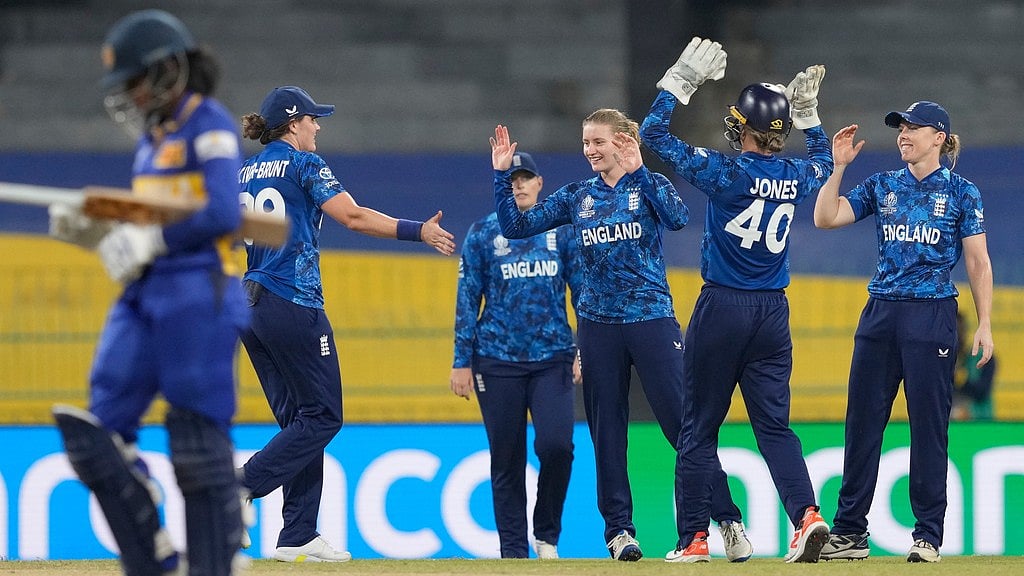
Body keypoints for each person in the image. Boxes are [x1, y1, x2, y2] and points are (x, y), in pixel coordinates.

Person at [489, 112, 750, 563]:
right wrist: (499, 176)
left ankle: (726, 519)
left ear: (623, 142)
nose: (589, 149)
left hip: (651, 320)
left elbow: (678, 218)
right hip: (597, 328)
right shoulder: (577, 196)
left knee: (683, 428)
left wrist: (641, 171)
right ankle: (620, 532)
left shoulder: (646, 185)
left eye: (597, 141)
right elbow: (516, 227)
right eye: (585, 141)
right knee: (607, 433)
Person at [48, 9, 248, 576]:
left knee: (195, 440)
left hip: (199, 288)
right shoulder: (151, 141)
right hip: (148, 290)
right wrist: (99, 233)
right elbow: (146, 222)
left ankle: (218, 557)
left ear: (167, 70)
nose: (131, 97)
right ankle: (152, 558)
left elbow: (221, 211)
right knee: (97, 431)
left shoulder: (207, 124)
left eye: (136, 81)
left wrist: (153, 239)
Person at [237, 85, 456, 562]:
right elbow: (352, 218)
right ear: (293, 123)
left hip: (249, 306)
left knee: (299, 423)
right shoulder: (304, 165)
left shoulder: (245, 172)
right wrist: (416, 230)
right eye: (313, 119)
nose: (318, 126)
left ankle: (297, 534)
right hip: (292, 301)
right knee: (323, 417)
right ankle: (239, 488)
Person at [639, 37, 833, 563]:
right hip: (774, 313)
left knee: (697, 428)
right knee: (774, 427)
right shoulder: (795, 176)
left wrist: (679, 81)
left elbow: (651, 134)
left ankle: (694, 539)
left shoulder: (726, 174)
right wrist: (811, 117)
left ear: (744, 128)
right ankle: (807, 518)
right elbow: (823, 158)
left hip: (724, 307)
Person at [813, 101, 994, 563]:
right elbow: (826, 218)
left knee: (929, 428)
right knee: (861, 426)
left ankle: (928, 535)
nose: (903, 134)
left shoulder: (961, 192)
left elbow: (977, 261)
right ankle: (850, 534)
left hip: (932, 314)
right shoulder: (882, 185)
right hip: (879, 314)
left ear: (940, 138)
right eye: (900, 127)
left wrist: (986, 323)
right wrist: (836, 169)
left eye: (914, 127)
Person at [450, 151, 582, 559]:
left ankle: (546, 535)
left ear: (540, 184)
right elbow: (467, 298)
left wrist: (585, 349)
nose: (518, 185)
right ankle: (513, 553)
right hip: (496, 360)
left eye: (525, 178)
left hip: (553, 357)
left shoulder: (562, 233)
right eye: (511, 179)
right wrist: (461, 360)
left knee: (557, 447)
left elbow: (583, 293)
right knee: (506, 457)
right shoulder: (484, 233)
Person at [953, 311, 997, 420]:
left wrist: (961, 378)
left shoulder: (983, 357)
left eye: (960, 330)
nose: (958, 335)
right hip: (950, 419)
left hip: (978, 419)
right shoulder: (939, 359)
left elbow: (982, 391)